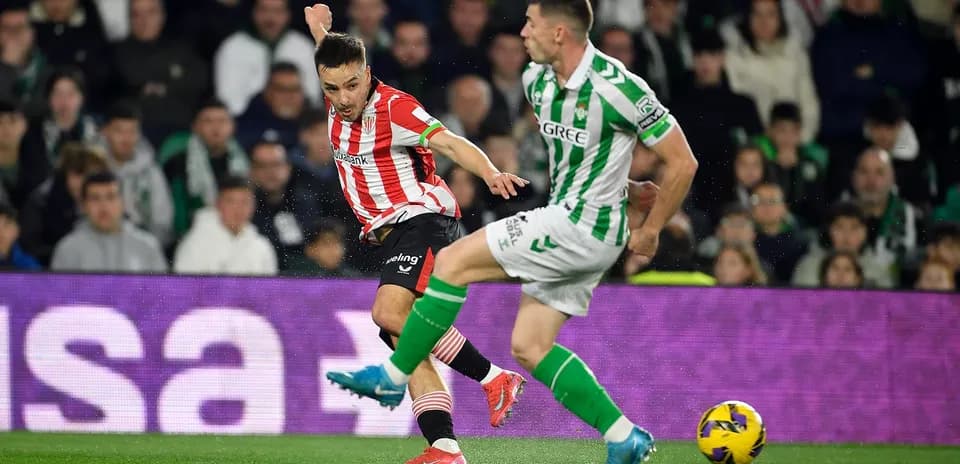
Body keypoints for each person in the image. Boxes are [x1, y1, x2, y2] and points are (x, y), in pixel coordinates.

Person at [327, 1, 699, 463]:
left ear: (559, 32)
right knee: (530, 346)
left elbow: (683, 161)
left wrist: (653, 228)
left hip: (579, 225)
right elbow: (584, 162)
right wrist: (625, 189)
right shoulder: (537, 83)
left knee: (453, 263)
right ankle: (623, 436)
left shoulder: (619, 87)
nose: (523, 32)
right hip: (576, 219)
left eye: (531, 23)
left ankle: (392, 376)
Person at [303, 5, 530, 464]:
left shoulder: (394, 108)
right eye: (332, 88)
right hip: (390, 234)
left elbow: (447, 141)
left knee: (388, 312)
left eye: (352, 85)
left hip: (423, 219)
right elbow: (331, 57)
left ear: (368, 74)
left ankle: (493, 378)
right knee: (400, 336)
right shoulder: (338, 88)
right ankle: (445, 448)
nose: (343, 98)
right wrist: (319, 31)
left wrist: (488, 172)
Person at [51, 171, 167, 273]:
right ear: (84, 205)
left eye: (110, 197)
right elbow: (58, 296)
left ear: (123, 202)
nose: (103, 206)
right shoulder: (67, 249)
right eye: (95, 198)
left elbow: (162, 294)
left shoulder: (147, 246)